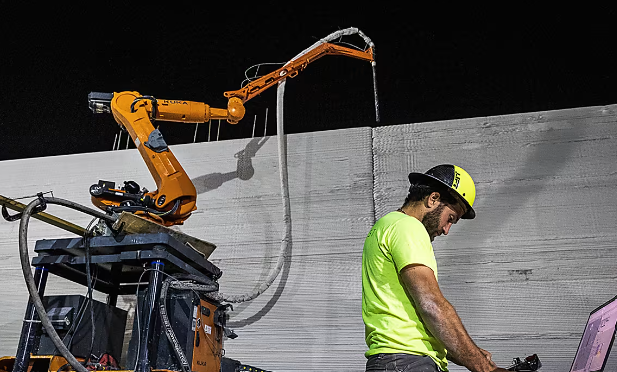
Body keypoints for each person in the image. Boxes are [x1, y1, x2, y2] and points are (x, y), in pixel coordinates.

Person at [362, 164, 510, 372]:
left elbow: (418, 319)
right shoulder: (408, 227)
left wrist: (471, 352)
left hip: (396, 361)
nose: (447, 230)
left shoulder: (386, 225)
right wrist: (485, 368)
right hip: (408, 363)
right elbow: (431, 305)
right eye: (450, 219)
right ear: (433, 198)